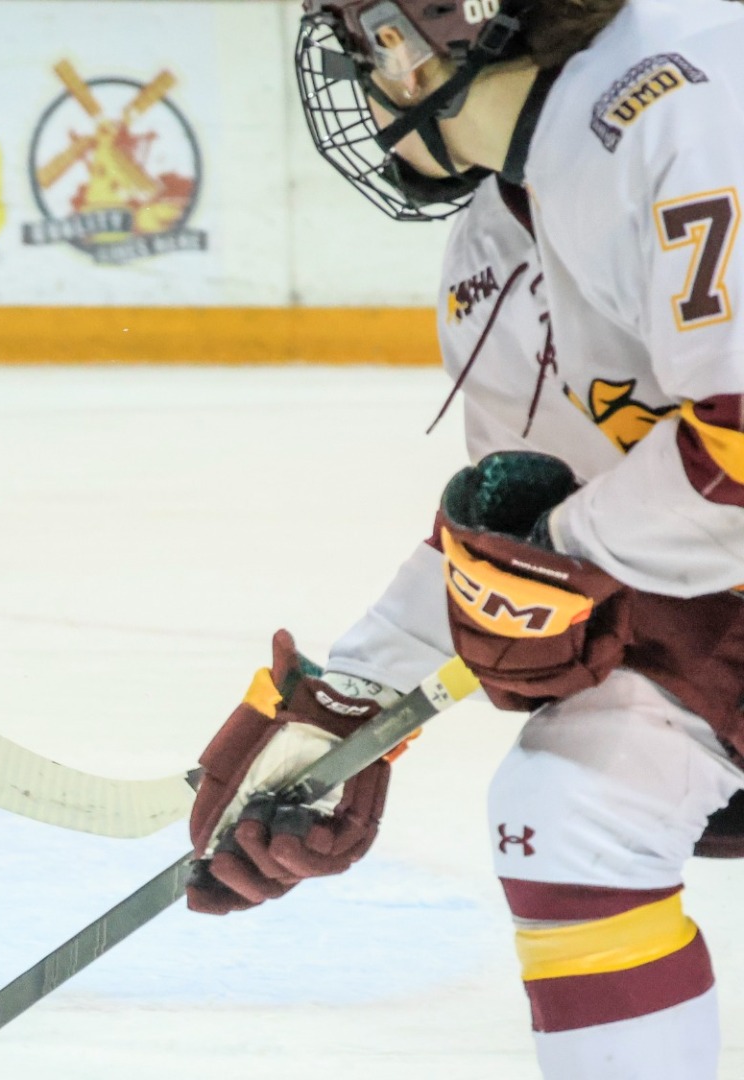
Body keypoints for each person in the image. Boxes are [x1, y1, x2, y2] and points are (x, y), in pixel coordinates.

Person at [188, 1, 744, 1076]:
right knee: (570, 807)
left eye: (362, 40)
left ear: (414, 38)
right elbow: (542, 528)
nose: (360, 73)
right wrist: (348, 699)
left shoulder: (683, 104)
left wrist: (563, 548)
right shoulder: (495, 244)